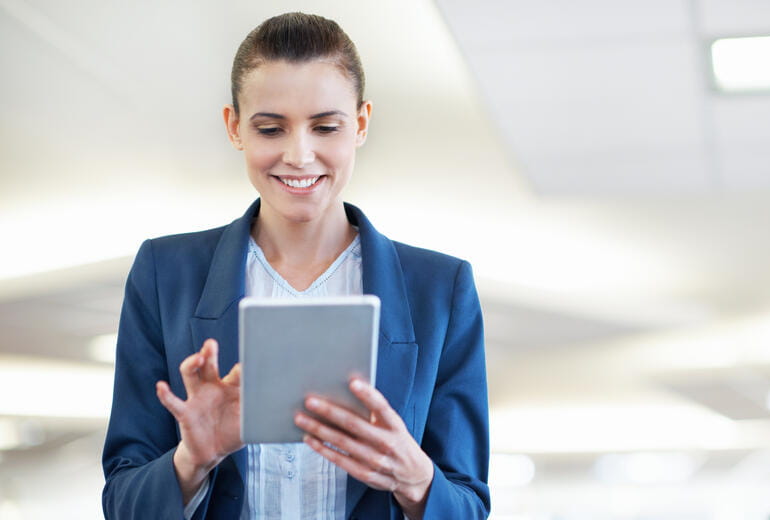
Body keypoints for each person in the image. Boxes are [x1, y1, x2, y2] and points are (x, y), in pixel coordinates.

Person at [101, 12, 490, 520]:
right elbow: (121, 501)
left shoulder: (441, 289)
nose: (299, 155)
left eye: (326, 126)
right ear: (235, 127)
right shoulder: (164, 273)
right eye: (270, 128)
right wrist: (191, 460)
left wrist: (415, 480)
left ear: (362, 124)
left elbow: (468, 505)